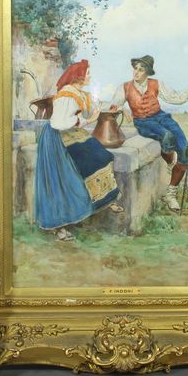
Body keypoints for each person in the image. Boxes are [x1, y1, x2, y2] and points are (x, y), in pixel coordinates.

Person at [35, 59, 123, 241]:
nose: (90, 76)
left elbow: (93, 108)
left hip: (71, 134)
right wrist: (88, 121)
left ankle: (106, 200)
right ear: (79, 76)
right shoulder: (66, 95)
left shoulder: (80, 93)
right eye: (88, 73)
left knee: (102, 155)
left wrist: (110, 108)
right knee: (62, 180)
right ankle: (59, 226)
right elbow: (59, 123)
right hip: (56, 139)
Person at [109, 55, 188, 211]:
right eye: (135, 69)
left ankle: (171, 194)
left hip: (161, 117)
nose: (136, 72)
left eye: (141, 69)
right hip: (143, 122)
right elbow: (113, 106)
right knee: (167, 137)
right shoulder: (125, 87)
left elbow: (174, 97)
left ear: (147, 72)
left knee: (186, 151)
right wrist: (122, 108)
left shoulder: (156, 84)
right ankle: (170, 164)